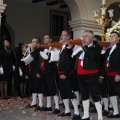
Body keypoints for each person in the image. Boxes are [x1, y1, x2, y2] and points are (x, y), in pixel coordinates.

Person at [76, 30, 103, 120]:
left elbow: (93, 57)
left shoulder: (97, 47)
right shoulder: (80, 47)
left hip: (91, 74)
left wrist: (85, 47)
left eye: (86, 36)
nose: (84, 38)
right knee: (84, 94)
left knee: (95, 94)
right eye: (83, 36)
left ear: (91, 38)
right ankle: (86, 114)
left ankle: (100, 116)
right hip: (80, 74)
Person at [57, 30, 80, 120]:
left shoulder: (69, 48)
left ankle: (77, 113)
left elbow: (70, 62)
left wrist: (66, 73)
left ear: (68, 37)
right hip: (60, 73)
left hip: (66, 74)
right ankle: (67, 111)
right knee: (63, 93)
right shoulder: (63, 47)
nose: (61, 36)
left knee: (70, 92)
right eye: (61, 35)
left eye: (63, 35)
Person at [100, 32, 120, 118]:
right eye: (110, 36)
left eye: (114, 36)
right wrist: (103, 50)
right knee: (111, 94)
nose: (111, 38)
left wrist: (119, 74)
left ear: (119, 38)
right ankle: (115, 112)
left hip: (116, 75)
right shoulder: (108, 50)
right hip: (108, 75)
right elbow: (103, 62)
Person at [40, 34, 60, 114]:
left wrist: (50, 52)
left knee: (52, 88)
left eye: (47, 38)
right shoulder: (44, 48)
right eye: (44, 38)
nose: (45, 39)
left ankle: (57, 107)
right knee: (46, 89)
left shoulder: (54, 49)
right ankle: (48, 106)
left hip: (51, 71)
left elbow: (54, 59)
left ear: (51, 40)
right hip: (44, 71)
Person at [25, 37, 43, 110]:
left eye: (34, 42)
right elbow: (27, 62)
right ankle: (34, 102)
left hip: (36, 71)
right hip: (31, 71)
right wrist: (27, 73)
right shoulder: (31, 50)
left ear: (38, 43)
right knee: (33, 87)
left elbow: (38, 61)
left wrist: (38, 72)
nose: (32, 43)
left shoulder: (38, 51)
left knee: (38, 87)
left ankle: (41, 104)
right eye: (32, 42)